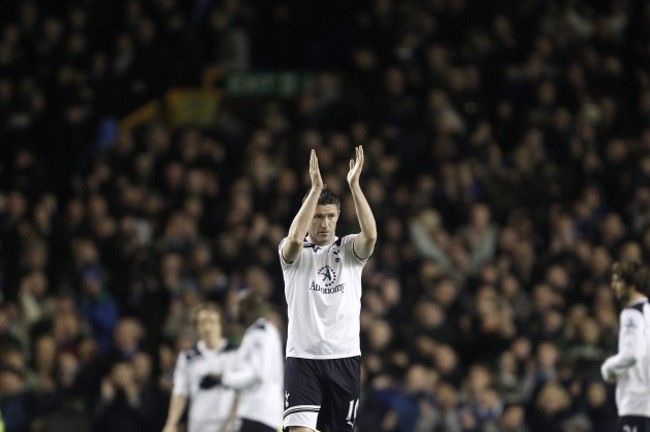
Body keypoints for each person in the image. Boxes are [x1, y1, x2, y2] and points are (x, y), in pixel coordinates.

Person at [279, 146, 377, 432]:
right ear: (309, 217)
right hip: (302, 358)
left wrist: (355, 186)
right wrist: (315, 189)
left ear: (338, 216)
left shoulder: (348, 249)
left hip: (343, 357)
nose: (324, 224)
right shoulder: (292, 254)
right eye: (318, 217)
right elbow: (295, 237)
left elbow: (370, 235)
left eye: (330, 216)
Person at [209, 291, 285, 432]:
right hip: (258, 413)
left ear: (248, 308)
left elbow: (257, 374)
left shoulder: (260, 334)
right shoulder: (258, 332)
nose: (233, 311)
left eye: (236, 306)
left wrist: (224, 378)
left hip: (259, 413)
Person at [162, 302, 238, 432]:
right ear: (196, 327)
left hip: (229, 424)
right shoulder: (188, 357)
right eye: (202, 323)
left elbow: (242, 392)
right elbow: (180, 392)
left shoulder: (235, 353)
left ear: (221, 325)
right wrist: (171, 423)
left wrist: (235, 418)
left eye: (212, 322)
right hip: (199, 424)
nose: (207, 328)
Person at [601, 261, 650, 432]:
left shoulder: (632, 314)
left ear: (632, 283)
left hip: (636, 406)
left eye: (617, 280)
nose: (613, 286)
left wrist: (608, 368)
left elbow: (633, 354)